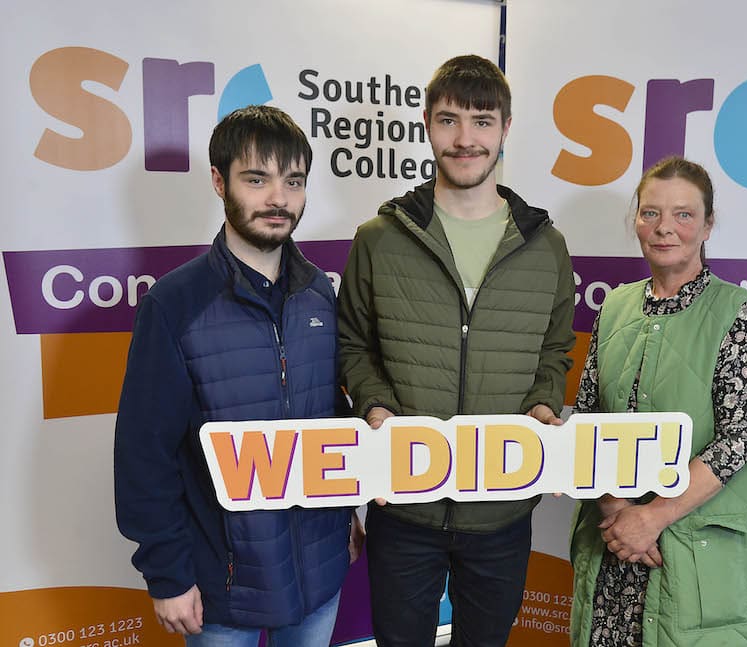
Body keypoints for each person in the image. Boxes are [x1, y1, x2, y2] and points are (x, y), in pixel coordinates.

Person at [338, 54, 576, 646]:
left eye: (482, 120)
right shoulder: (380, 239)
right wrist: (376, 409)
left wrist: (543, 407)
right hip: (404, 509)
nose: (465, 138)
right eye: (449, 120)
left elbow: (554, 349)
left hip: (501, 509)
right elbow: (353, 343)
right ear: (426, 124)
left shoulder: (545, 246)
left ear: (505, 128)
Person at [114, 105, 361, 646]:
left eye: (293, 181)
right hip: (222, 587)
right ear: (218, 181)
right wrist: (168, 574)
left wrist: (348, 515)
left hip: (318, 576)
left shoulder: (320, 291)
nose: (279, 198)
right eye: (258, 179)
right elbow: (144, 455)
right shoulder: (175, 304)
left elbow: (332, 417)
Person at [569, 157, 747, 647]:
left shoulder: (738, 313)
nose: (664, 228)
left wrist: (652, 518)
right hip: (613, 543)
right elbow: (587, 419)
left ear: (707, 225)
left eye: (683, 215)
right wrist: (619, 514)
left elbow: (740, 438)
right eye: (650, 213)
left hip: (689, 548)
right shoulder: (614, 307)